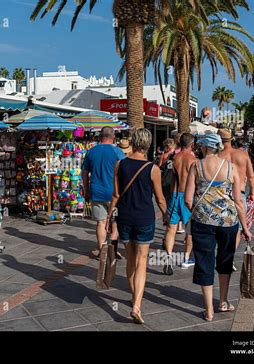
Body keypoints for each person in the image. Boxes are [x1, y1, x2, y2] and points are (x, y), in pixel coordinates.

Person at [184, 134, 252, 322]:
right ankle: (222, 302)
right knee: (225, 261)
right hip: (228, 222)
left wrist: (201, 211)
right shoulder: (231, 168)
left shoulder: (196, 166)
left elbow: (188, 199)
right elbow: (238, 201)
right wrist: (245, 228)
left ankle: (209, 311)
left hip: (202, 223)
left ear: (204, 148)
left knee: (204, 262)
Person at [107, 128, 168, 324]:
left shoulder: (120, 164)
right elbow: (159, 198)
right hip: (144, 219)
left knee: (130, 260)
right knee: (142, 262)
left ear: (133, 142)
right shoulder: (153, 169)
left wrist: (109, 216)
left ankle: (135, 297)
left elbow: (115, 195)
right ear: (148, 145)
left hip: (124, 218)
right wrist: (166, 215)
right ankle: (136, 305)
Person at [82, 126, 125, 259]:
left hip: (97, 192)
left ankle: (102, 250)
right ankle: (113, 248)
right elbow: (125, 173)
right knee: (116, 221)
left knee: (100, 222)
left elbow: (84, 174)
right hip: (115, 194)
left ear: (100, 137)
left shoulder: (91, 152)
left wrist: (86, 190)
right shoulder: (118, 152)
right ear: (113, 138)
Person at [218, 129, 254, 269]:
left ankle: (223, 254)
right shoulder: (242, 155)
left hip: (223, 193)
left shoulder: (218, 156)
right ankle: (229, 257)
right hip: (240, 193)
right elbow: (251, 177)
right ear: (231, 139)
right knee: (239, 229)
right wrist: (252, 194)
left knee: (223, 226)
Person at [162, 133, 197, 273]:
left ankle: (169, 257)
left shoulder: (173, 158)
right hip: (187, 196)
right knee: (189, 230)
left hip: (174, 195)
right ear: (192, 144)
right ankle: (186, 259)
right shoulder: (193, 160)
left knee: (171, 228)